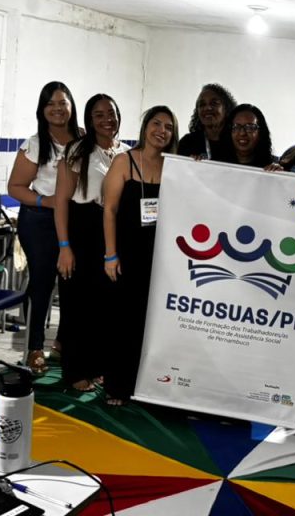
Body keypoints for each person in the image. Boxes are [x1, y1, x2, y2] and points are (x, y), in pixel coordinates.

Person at [102, 106, 179, 405]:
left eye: (168, 127)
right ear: (146, 126)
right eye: (156, 123)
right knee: (123, 321)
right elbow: (109, 209)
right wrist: (110, 254)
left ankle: (145, 385)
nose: (162, 131)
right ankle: (117, 386)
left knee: (150, 322)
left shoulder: (174, 165)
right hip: (126, 253)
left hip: (160, 256)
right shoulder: (125, 161)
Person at [54, 94, 129, 391]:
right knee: (77, 304)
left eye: (111, 113)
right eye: (99, 115)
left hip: (112, 230)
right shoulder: (77, 151)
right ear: (89, 119)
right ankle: (75, 372)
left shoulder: (125, 152)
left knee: (105, 304)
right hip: (82, 228)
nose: (107, 119)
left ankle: (98, 366)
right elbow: (61, 201)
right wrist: (64, 247)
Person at [7, 81, 80, 375]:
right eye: (50, 104)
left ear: (72, 106)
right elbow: (15, 187)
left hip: (74, 219)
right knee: (42, 283)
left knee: (72, 284)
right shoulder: (36, 144)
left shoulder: (84, 139)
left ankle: (62, 343)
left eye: (62, 103)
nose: (57, 109)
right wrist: (46, 201)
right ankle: (34, 347)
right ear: (42, 109)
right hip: (39, 220)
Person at [177, 83, 235, 159]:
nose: (207, 108)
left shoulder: (237, 141)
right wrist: (190, 163)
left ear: (226, 108)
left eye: (214, 103)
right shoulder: (187, 143)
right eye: (202, 104)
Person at [214, 103, 278, 168]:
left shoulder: (273, 165)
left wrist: (280, 172)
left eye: (250, 127)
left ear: (261, 132)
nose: (242, 133)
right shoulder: (215, 164)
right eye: (237, 127)